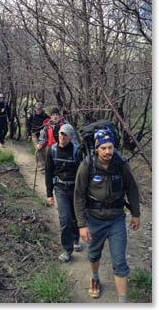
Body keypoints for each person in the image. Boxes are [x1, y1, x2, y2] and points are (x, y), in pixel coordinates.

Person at [74, 128, 140, 302]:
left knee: (119, 261)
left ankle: (122, 302)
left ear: (114, 147)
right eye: (103, 148)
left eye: (110, 147)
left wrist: (136, 213)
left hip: (117, 220)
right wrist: (82, 225)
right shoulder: (87, 165)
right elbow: (79, 195)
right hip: (94, 219)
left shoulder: (121, 164)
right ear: (97, 148)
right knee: (94, 254)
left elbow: (132, 188)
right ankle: (95, 277)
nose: (107, 151)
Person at [45, 124, 82, 263]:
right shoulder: (52, 150)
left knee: (75, 216)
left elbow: (82, 174)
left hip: (75, 189)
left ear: (71, 137)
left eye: (65, 135)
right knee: (64, 219)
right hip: (60, 188)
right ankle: (67, 249)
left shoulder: (77, 152)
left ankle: (76, 237)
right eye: (61, 133)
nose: (62, 136)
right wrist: (49, 194)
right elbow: (48, 173)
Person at [26, 102, 49, 170]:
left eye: (40, 109)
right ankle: (40, 164)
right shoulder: (32, 116)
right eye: (37, 109)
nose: (38, 110)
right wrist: (29, 134)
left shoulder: (45, 116)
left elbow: (50, 120)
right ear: (35, 109)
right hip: (34, 134)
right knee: (38, 148)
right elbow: (28, 124)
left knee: (43, 148)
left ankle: (44, 164)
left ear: (42, 109)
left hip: (43, 135)